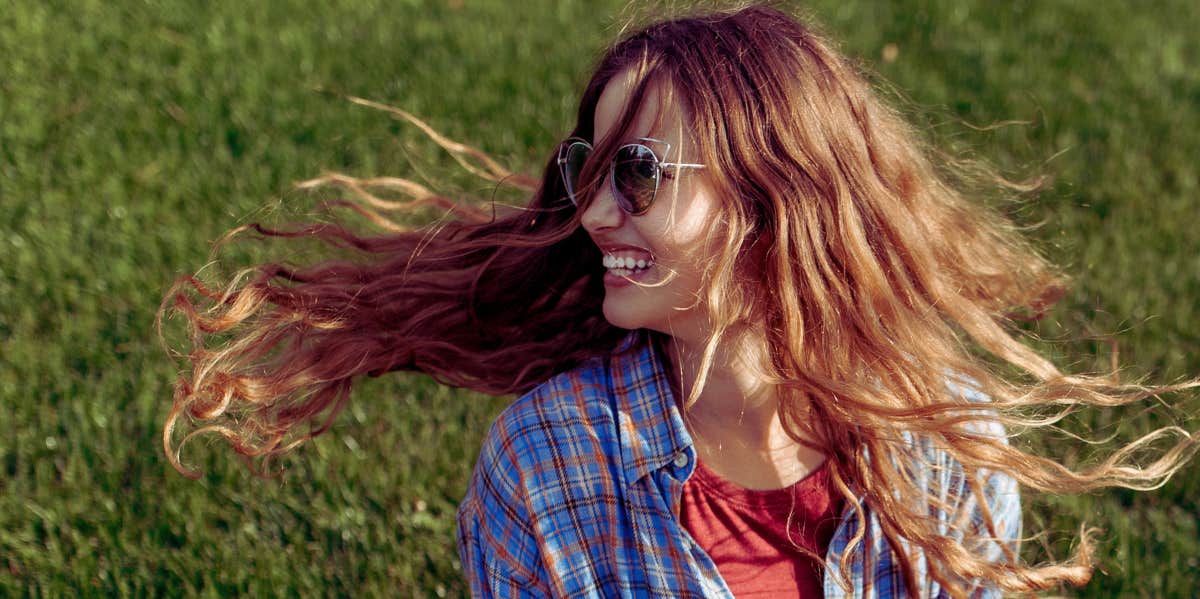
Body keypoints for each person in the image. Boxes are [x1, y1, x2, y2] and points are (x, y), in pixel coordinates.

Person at [161, 4, 1197, 597]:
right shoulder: (543, 468)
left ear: (768, 193)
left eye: (641, 173)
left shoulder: (950, 449)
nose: (597, 211)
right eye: (589, 168)